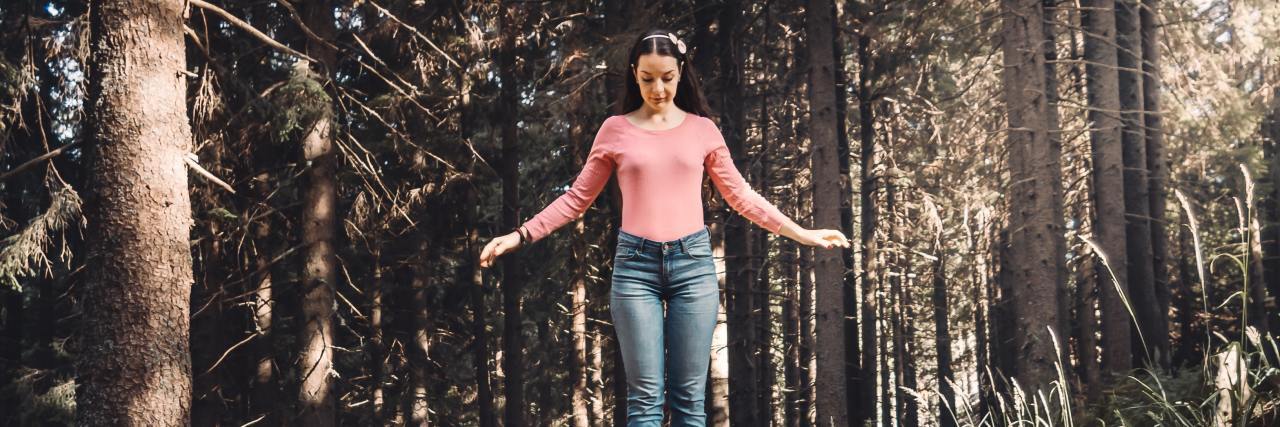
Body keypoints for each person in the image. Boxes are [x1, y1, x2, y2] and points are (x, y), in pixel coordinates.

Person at [478, 28, 849, 427]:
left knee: (689, 400)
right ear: (634, 75)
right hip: (635, 269)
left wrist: (803, 233)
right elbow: (576, 199)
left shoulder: (702, 130)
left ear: (681, 72)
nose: (658, 89)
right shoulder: (615, 129)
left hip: (693, 267)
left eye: (667, 78)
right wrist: (520, 234)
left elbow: (741, 196)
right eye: (647, 78)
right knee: (645, 400)